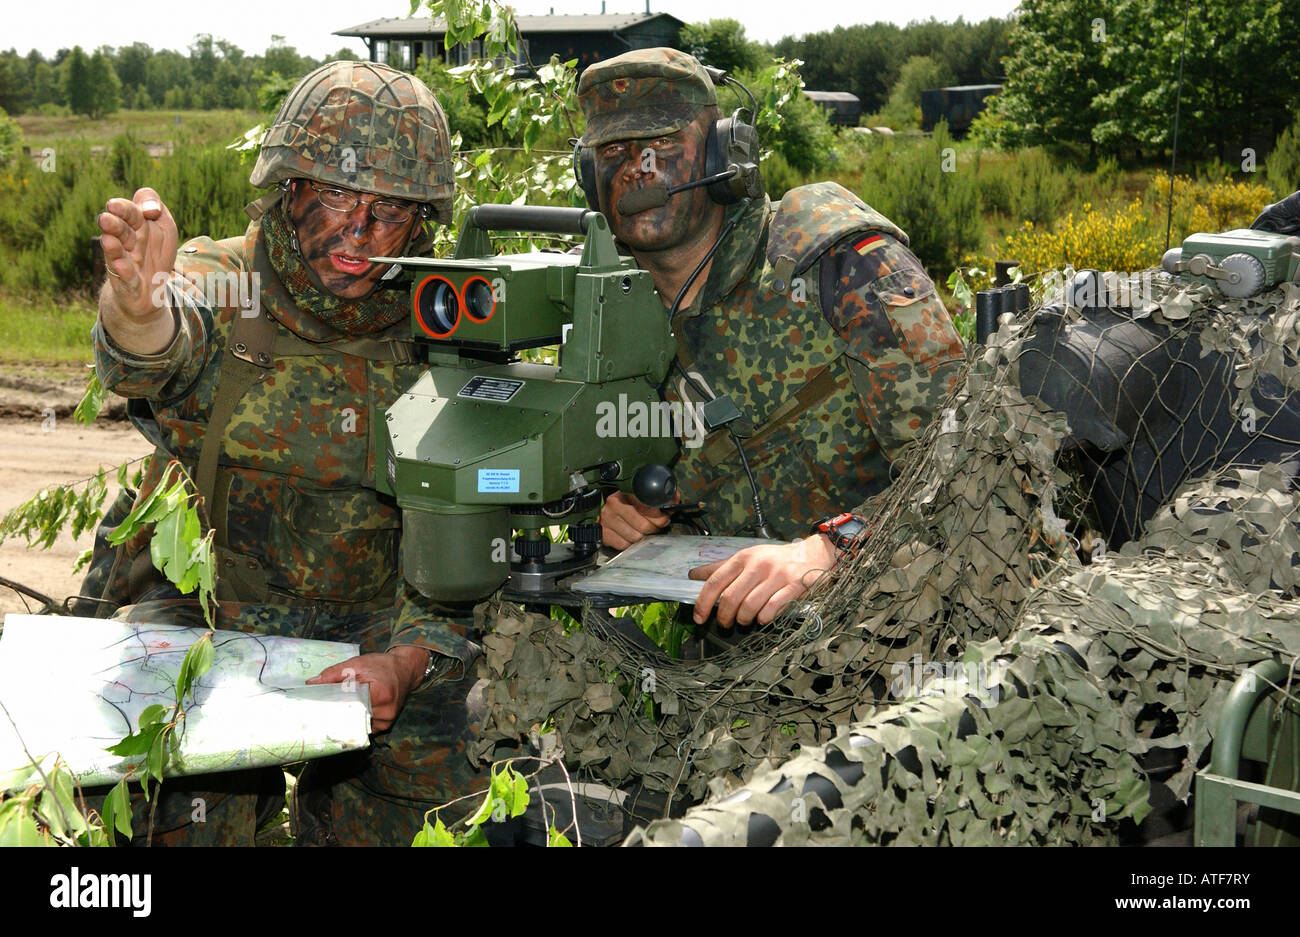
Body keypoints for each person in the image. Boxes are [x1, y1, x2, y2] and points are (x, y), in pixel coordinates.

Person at [81, 61, 487, 845]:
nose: (359, 234)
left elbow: (464, 531)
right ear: (288, 189)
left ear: (423, 220)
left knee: (450, 784)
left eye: (391, 208)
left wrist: (407, 660)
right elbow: (155, 346)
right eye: (335, 195)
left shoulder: (444, 313)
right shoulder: (225, 277)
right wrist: (136, 305)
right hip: (210, 614)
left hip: (379, 628)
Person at [583, 49, 966, 628]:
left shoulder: (828, 258)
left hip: (907, 625)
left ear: (724, 152)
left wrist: (833, 549)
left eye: (662, 142)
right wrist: (620, 520)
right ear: (590, 177)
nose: (638, 166)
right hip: (735, 672)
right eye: (613, 151)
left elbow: (968, 464)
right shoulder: (605, 312)